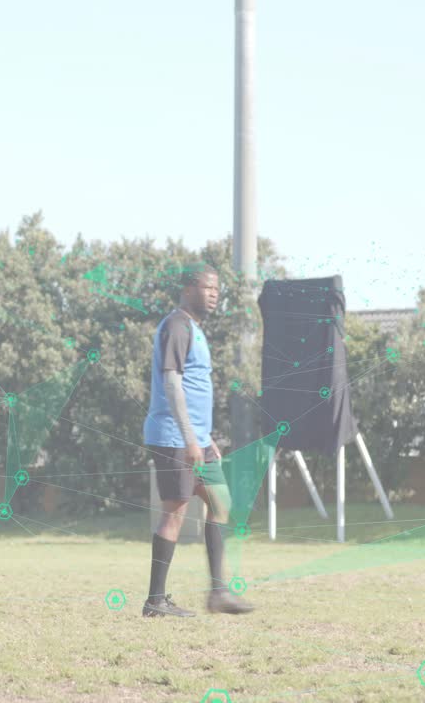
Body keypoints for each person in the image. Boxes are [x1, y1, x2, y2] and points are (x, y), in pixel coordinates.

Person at [141, 263, 253, 617]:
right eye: (208, 287)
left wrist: (205, 439)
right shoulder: (176, 325)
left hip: (196, 439)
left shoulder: (195, 329)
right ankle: (155, 601)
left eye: (217, 289)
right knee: (175, 511)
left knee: (221, 502)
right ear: (188, 288)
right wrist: (191, 438)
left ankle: (218, 593)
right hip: (174, 436)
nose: (214, 294)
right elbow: (172, 383)